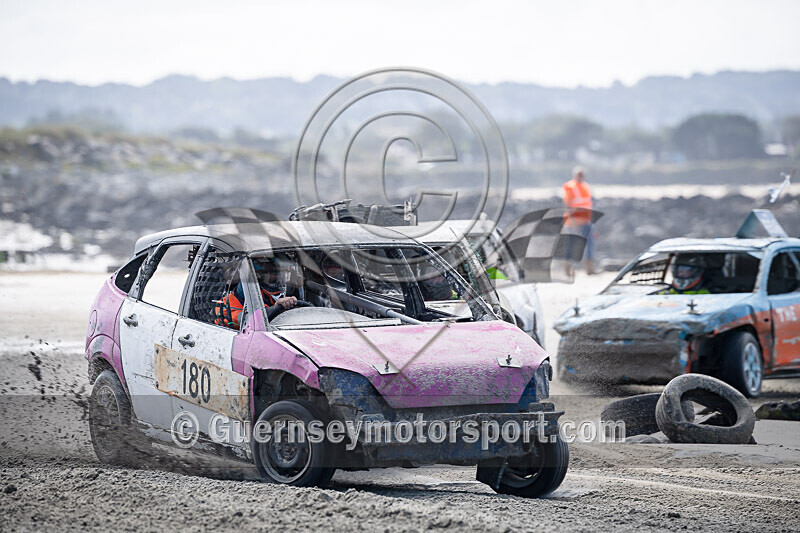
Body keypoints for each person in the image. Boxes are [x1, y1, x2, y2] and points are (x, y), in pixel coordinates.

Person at [214, 261, 298, 329]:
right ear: (258, 277)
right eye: (273, 274)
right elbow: (245, 320)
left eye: (280, 275)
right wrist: (274, 309)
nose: (279, 279)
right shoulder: (224, 305)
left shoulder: (270, 297)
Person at [562, 165, 596, 275]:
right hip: (574, 222)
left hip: (586, 221)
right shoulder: (570, 187)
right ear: (575, 175)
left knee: (590, 244)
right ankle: (568, 268)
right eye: (579, 175)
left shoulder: (586, 187)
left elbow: (587, 204)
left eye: (582, 175)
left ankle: (589, 268)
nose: (581, 177)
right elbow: (567, 205)